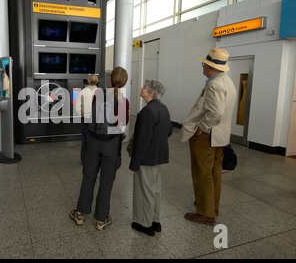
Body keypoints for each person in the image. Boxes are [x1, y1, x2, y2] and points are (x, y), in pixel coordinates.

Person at [179, 48, 236, 225]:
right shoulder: (227, 81)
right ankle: (213, 205)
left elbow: (215, 113)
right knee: (215, 172)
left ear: (211, 67)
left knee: (202, 173)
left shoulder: (214, 84)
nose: (202, 66)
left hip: (207, 137)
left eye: (204, 64)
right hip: (221, 136)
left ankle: (205, 213)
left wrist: (201, 128)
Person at [70, 67, 129, 231]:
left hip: (94, 142)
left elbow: (93, 117)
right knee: (106, 181)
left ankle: (80, 213)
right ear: (124, 83)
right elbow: (123, 123)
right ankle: (101, 219)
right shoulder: (124, 101)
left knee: (88, 177)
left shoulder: (98, 94)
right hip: (111, 145)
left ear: (109, 79)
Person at [129, 80, 173, 236]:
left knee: (144, 191)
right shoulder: (163, 108)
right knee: (155, 190)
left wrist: (134, 165)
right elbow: (169, 131)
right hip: (159, 156)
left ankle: (144, 224)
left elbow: (142, 140)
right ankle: (155, 221)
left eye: (145, 87)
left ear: (151, 93)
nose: (141, 88)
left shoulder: (147, 111)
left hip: (146, 158)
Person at [75, 74, 100, 164]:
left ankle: (84, 159)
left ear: (88, 81)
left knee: (85, 139)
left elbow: (77, 106)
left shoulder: (83, 91)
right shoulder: (100, 91)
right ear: (97, 81)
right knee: (96, 140)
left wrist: (82, 114)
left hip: (86, 119)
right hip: (97, 120)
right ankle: (95, 159)